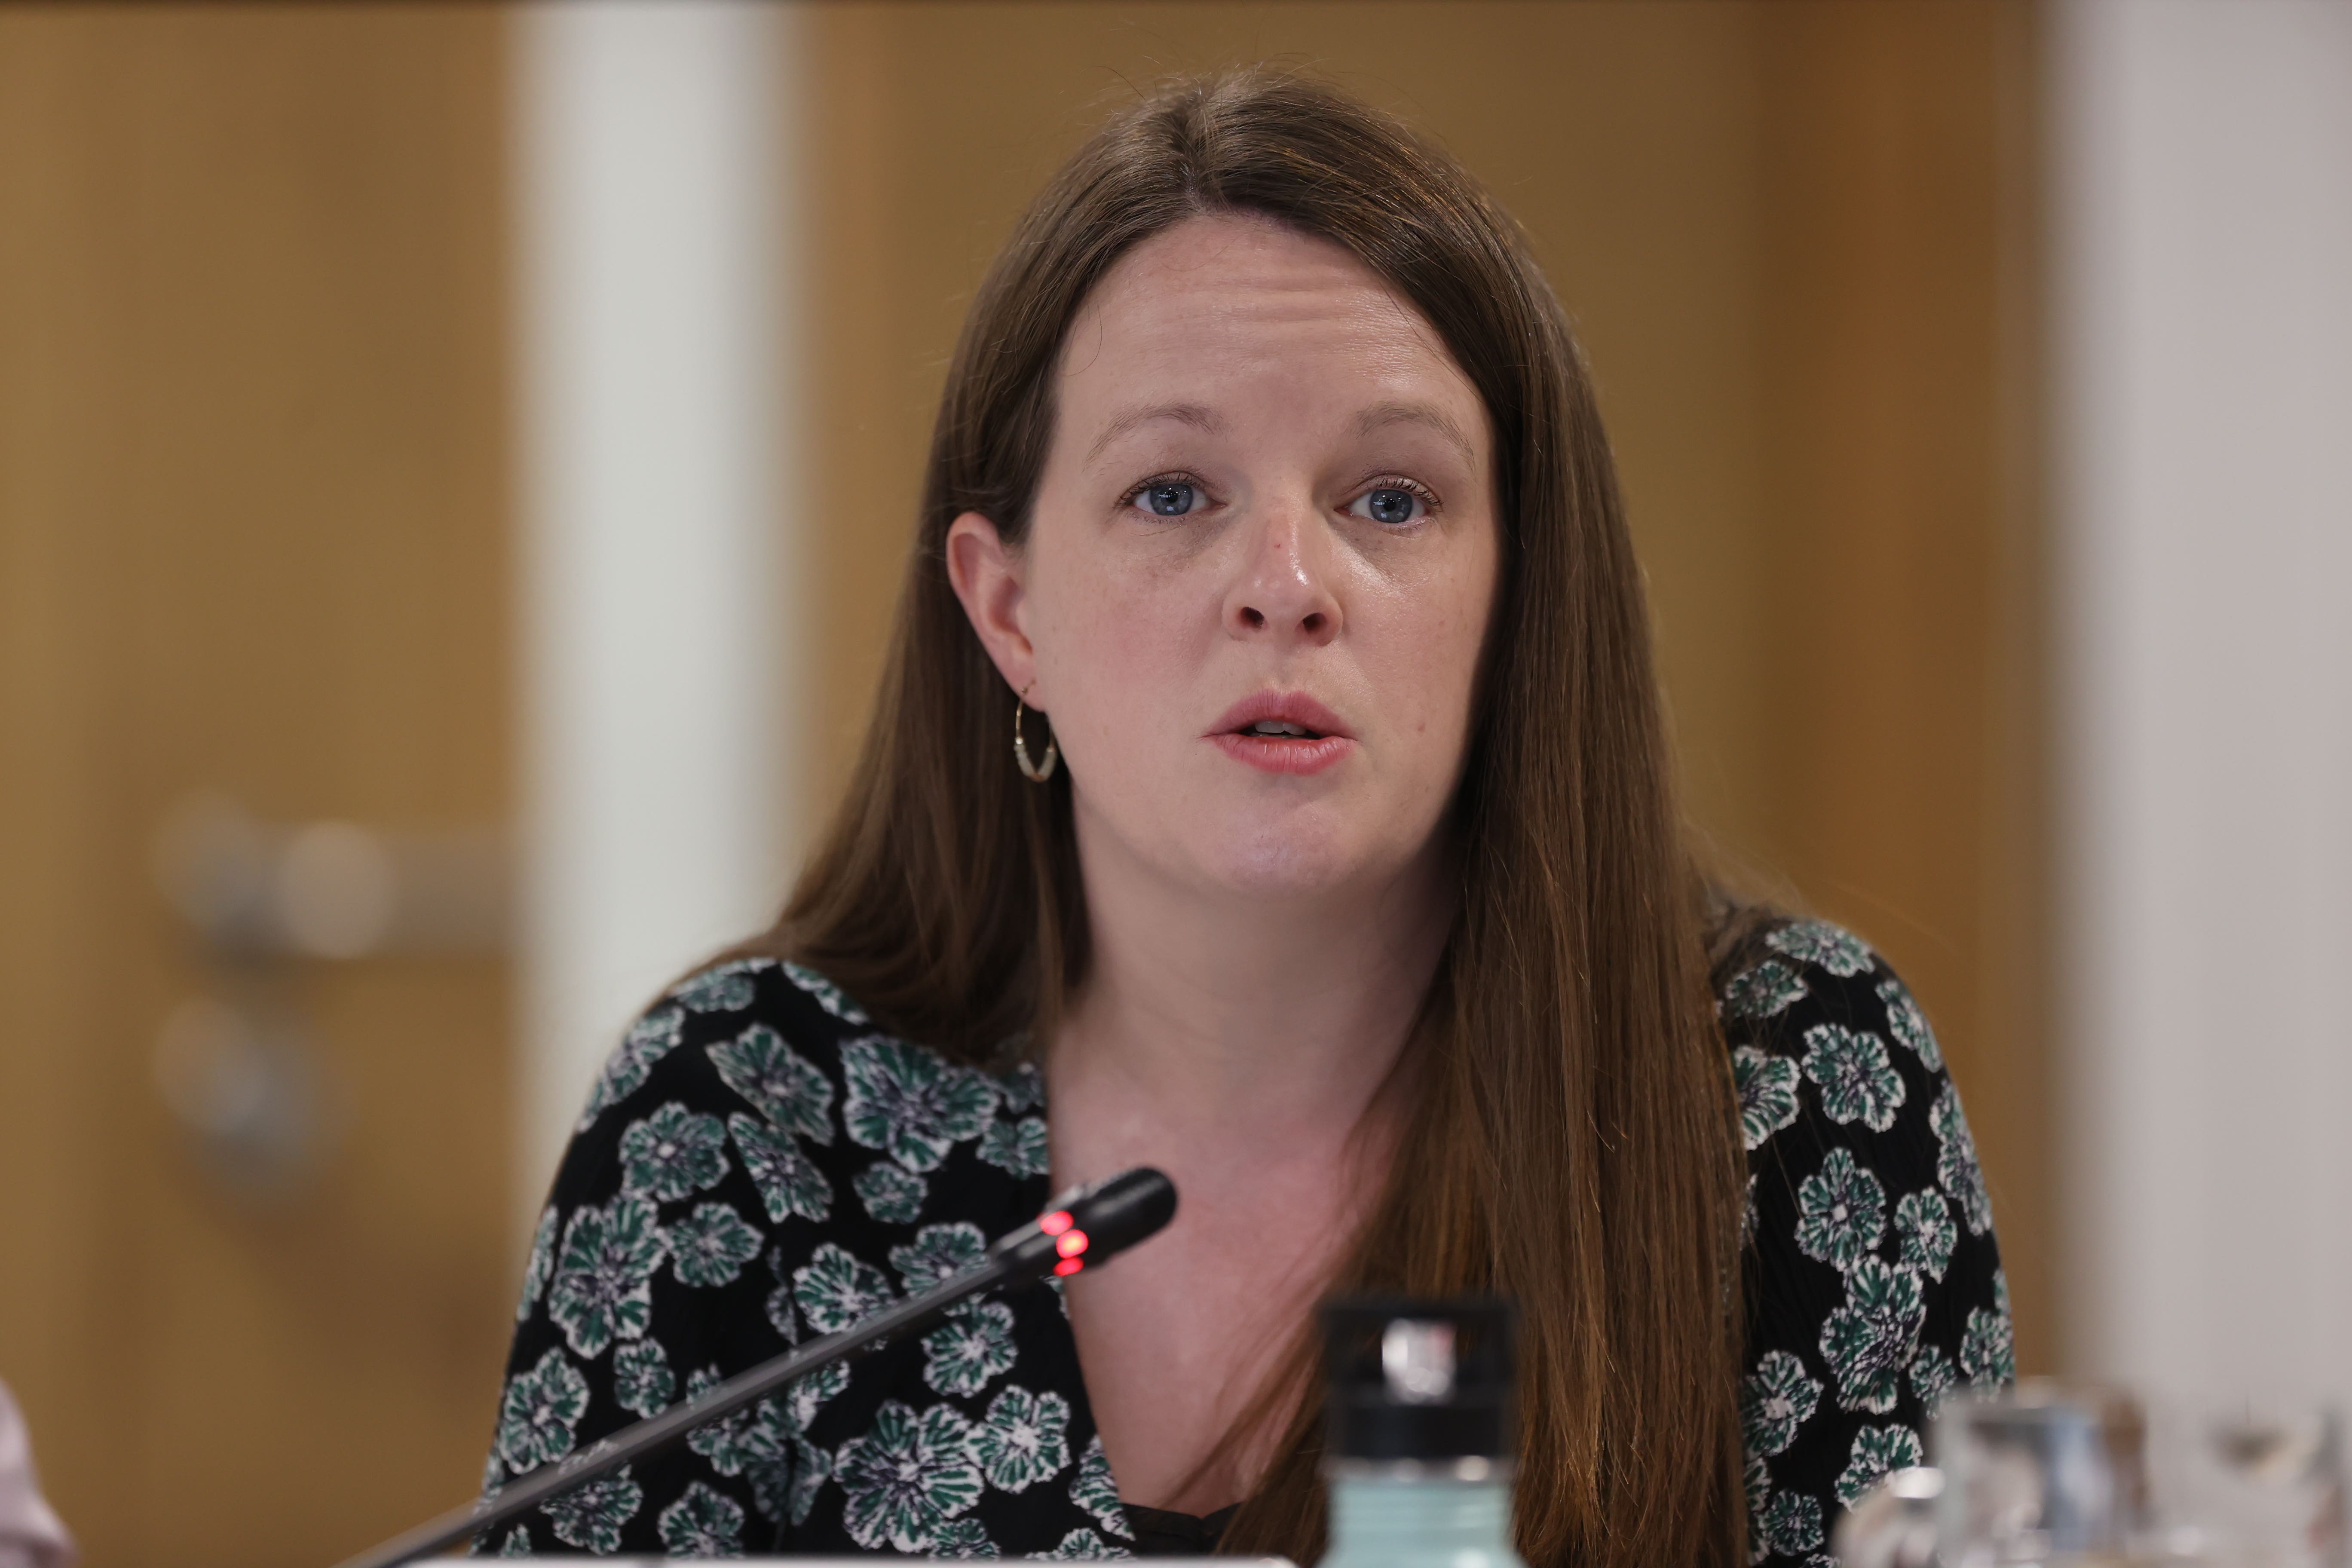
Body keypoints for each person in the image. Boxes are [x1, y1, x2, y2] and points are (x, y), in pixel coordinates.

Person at [484, 69, 2009, 1566]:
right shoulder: (739, 1120)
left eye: (1392, 500)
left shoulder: (1795, 1091)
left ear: (1520, 596)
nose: (1287, 581)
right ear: (1010, 612)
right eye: (1172, 493)